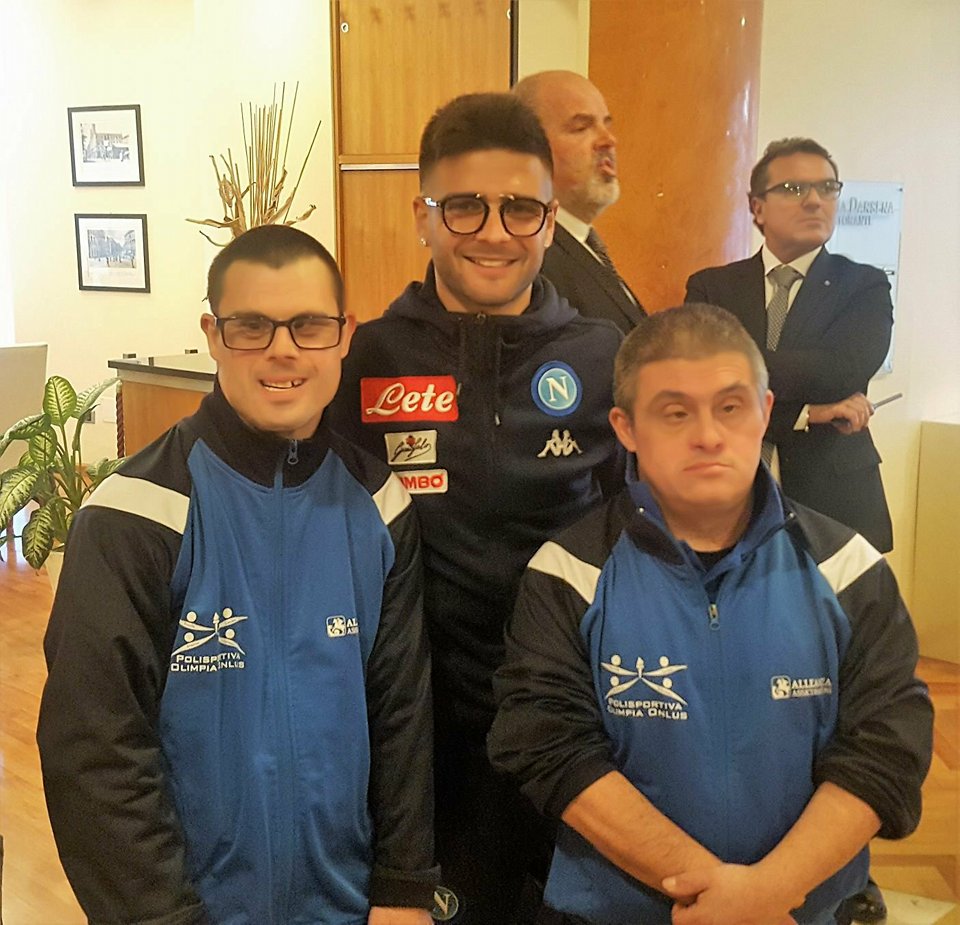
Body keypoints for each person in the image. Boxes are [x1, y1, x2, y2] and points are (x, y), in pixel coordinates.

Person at [37, 225, 437, 925]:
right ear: (213, 335)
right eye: (251, 326)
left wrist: (402, 889)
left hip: (349, 907)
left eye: (309, 325)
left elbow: (402, 716)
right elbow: (95, 751)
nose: (283, 349)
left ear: (344, 335)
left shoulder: (381, 506)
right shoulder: (133, 515)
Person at [489, 303, 933, 925]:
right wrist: (724, 899)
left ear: (765, 412)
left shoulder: (847, 568)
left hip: (800, 911)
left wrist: (768, 892)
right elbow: (548, 746)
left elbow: (888, 748)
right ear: (626, 428)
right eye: (675, 413)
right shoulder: (568, 572)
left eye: (730, 407)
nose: (708, 435)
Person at [325, 93, 624, 924]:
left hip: (577, 730)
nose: (494, 232)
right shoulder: (368, 357)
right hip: (425, 744)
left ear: (550, 219)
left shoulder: (604, 357)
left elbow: (644, 530)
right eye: (464, 206)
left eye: (520, 208)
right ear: (422, 215)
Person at [685, 137, 894, 557]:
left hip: (834, 500)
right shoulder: (712, 287)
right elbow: (699, 379)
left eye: (828, 188)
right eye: (794, 188)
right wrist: (807, 413)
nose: (815, 201)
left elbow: (842, 371)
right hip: (727, 492)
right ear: (757, 207)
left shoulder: (864, 285)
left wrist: (735, 370)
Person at [514, 70, 646, 333]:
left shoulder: (581, 243)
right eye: (581, 128)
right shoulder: (529, 258)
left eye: (606, 124)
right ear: (527, 148)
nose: (608, 140)